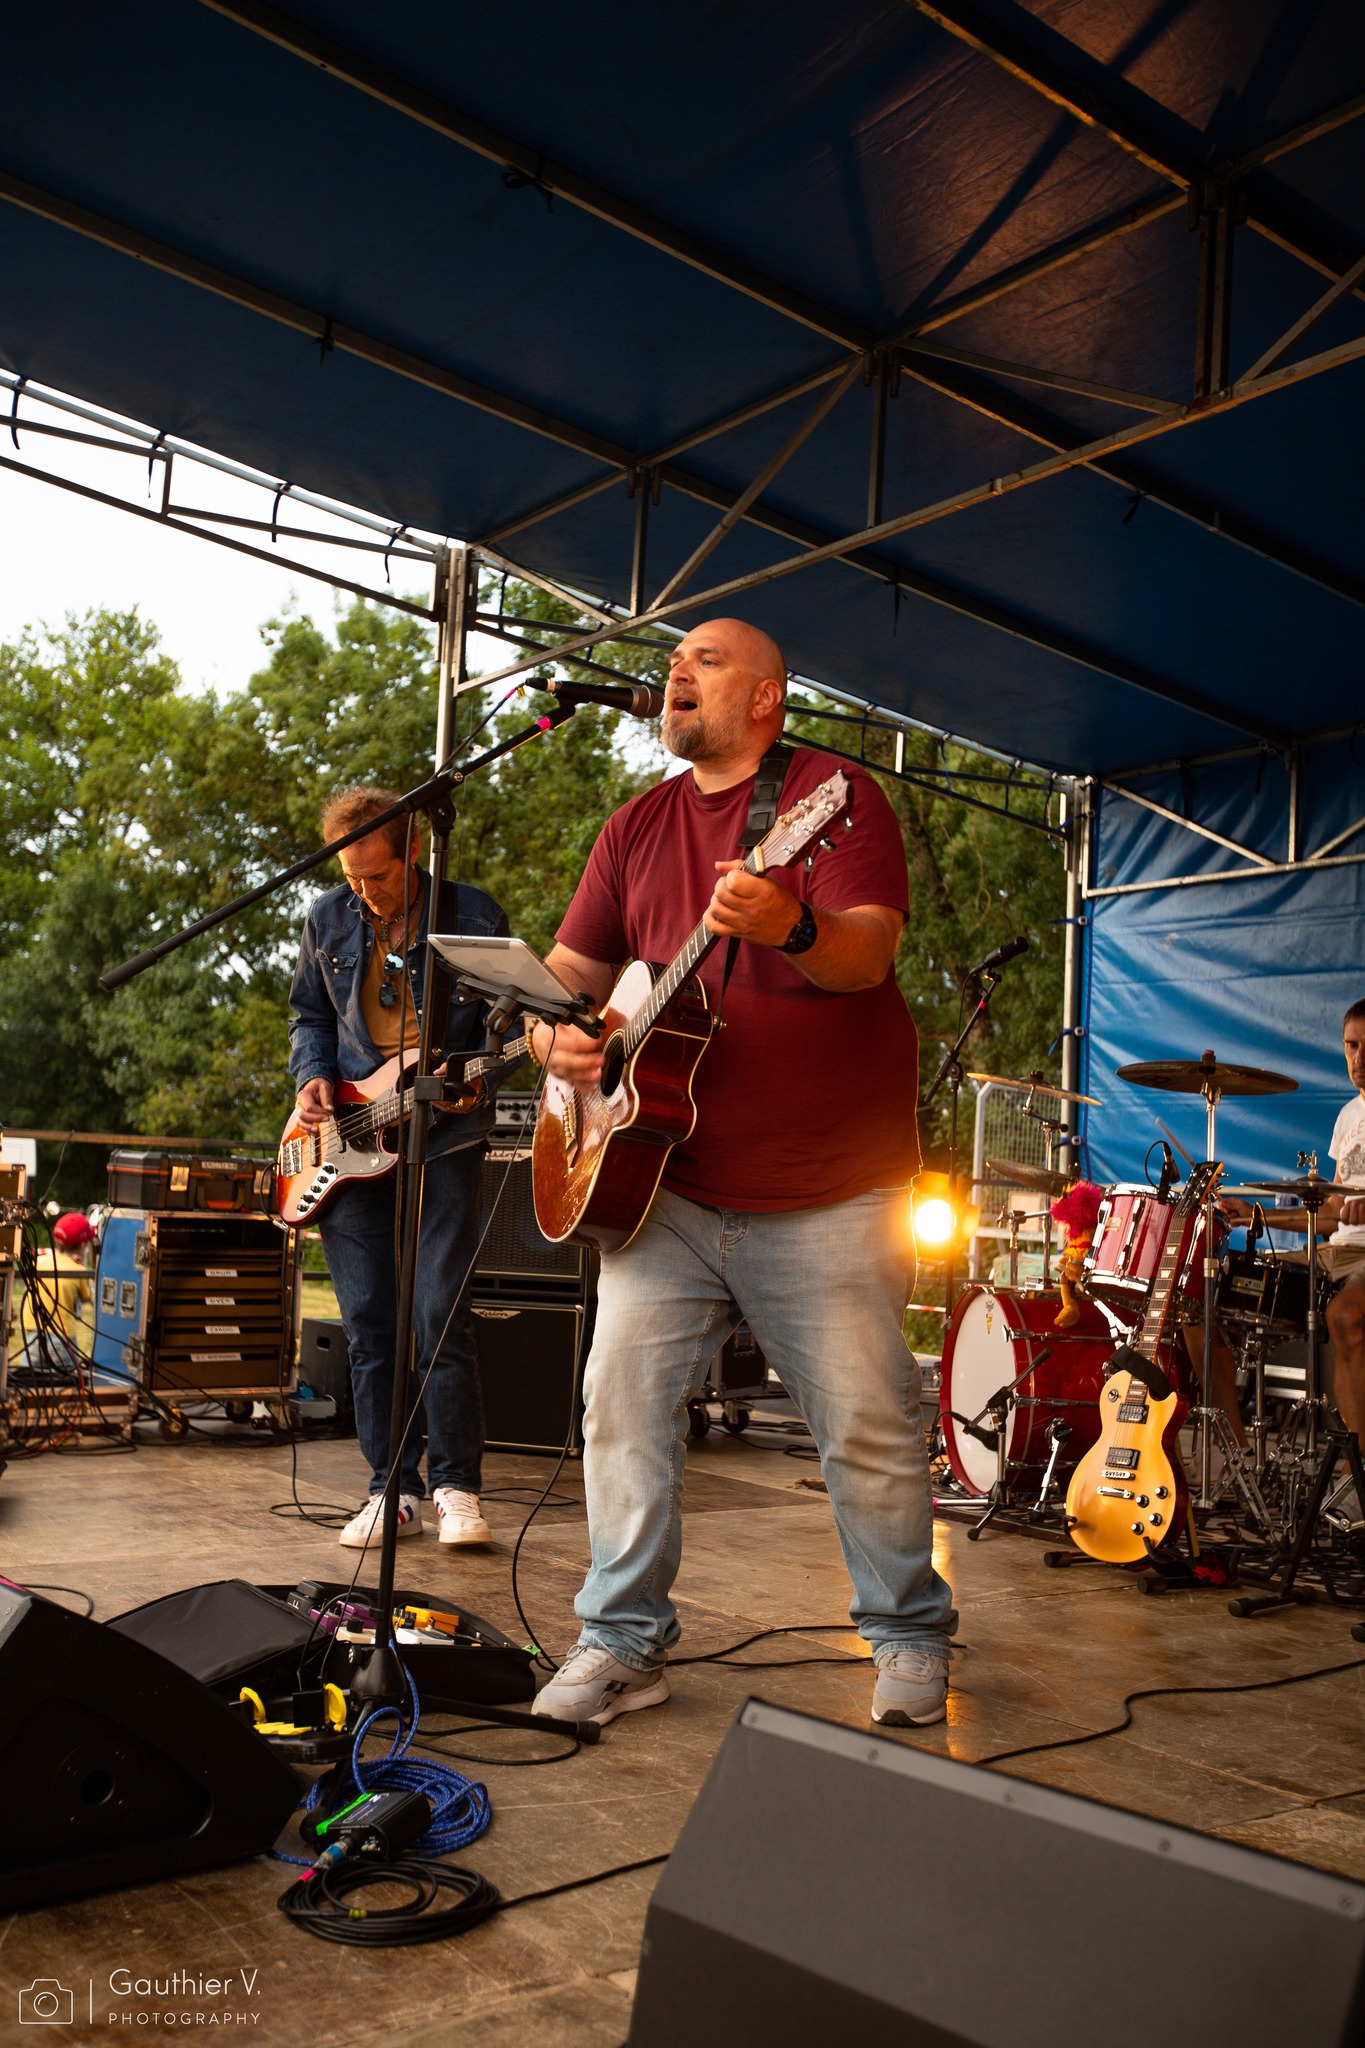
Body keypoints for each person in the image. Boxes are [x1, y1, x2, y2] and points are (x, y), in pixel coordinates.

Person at [528, 616, 955, 1730]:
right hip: (662, 1182)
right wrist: (557, 1041)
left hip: (829, 1184)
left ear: (766, 696)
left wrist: (792, 921)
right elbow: (569, 979)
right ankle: (623, 1640)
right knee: (619, 1404)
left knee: (864, 1420)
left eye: (703, 661)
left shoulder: (835, 797)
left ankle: (907, 1632)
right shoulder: (635, 825)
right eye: (673, 664)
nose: (676, 672)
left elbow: (867, 956)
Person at [288, 785, 508, 1549]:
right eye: (350, 874)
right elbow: (308, 1013)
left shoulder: (473, 916)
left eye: (375, 875)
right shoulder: (325, 917)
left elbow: (505, 1028)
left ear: (413, 852)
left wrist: (479, 1073)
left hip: (443, 1135)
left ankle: (457, 1488)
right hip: (350, 1135)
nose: (362, 889)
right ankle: (391, 1489)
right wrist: (311, 1073)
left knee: (437, 1317)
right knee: (371, 1327)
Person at [1320, 1001, 1365, 1449]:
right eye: (1351, 1046)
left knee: (1345, 1314)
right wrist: (1254, 1214)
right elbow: (1331, 1209)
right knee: (1207, 1299)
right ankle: (1235, 1469)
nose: (1359, 1059)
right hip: (1338, 1251)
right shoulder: (1348, 1116)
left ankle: (1360, 1471)